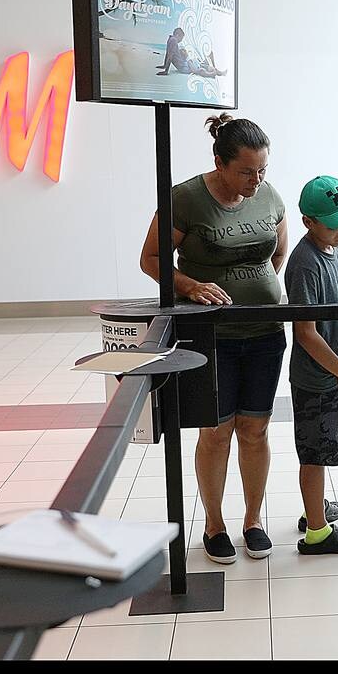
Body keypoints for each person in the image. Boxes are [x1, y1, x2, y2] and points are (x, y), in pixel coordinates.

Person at [138, 114, 288, 563]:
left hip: (265, 333)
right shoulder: (185, 199)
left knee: (256, 429)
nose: (256, 180)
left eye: (263, 170)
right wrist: (190, 286)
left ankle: (253, 520)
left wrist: (255, 286)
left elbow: (278, 250)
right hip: (211, 337)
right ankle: (214, 522)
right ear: (219, 162)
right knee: (217, 430)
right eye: (246, 171)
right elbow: (150, 258)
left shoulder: (269, 195)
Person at [283, 176, 338, 554]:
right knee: (314, 454)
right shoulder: (304, 264)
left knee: (323, 445)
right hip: (316, 378)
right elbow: (306, 333)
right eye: (335, 224)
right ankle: (317, 532)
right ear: (308, 222)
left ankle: (314, 507)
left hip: (337, 371)